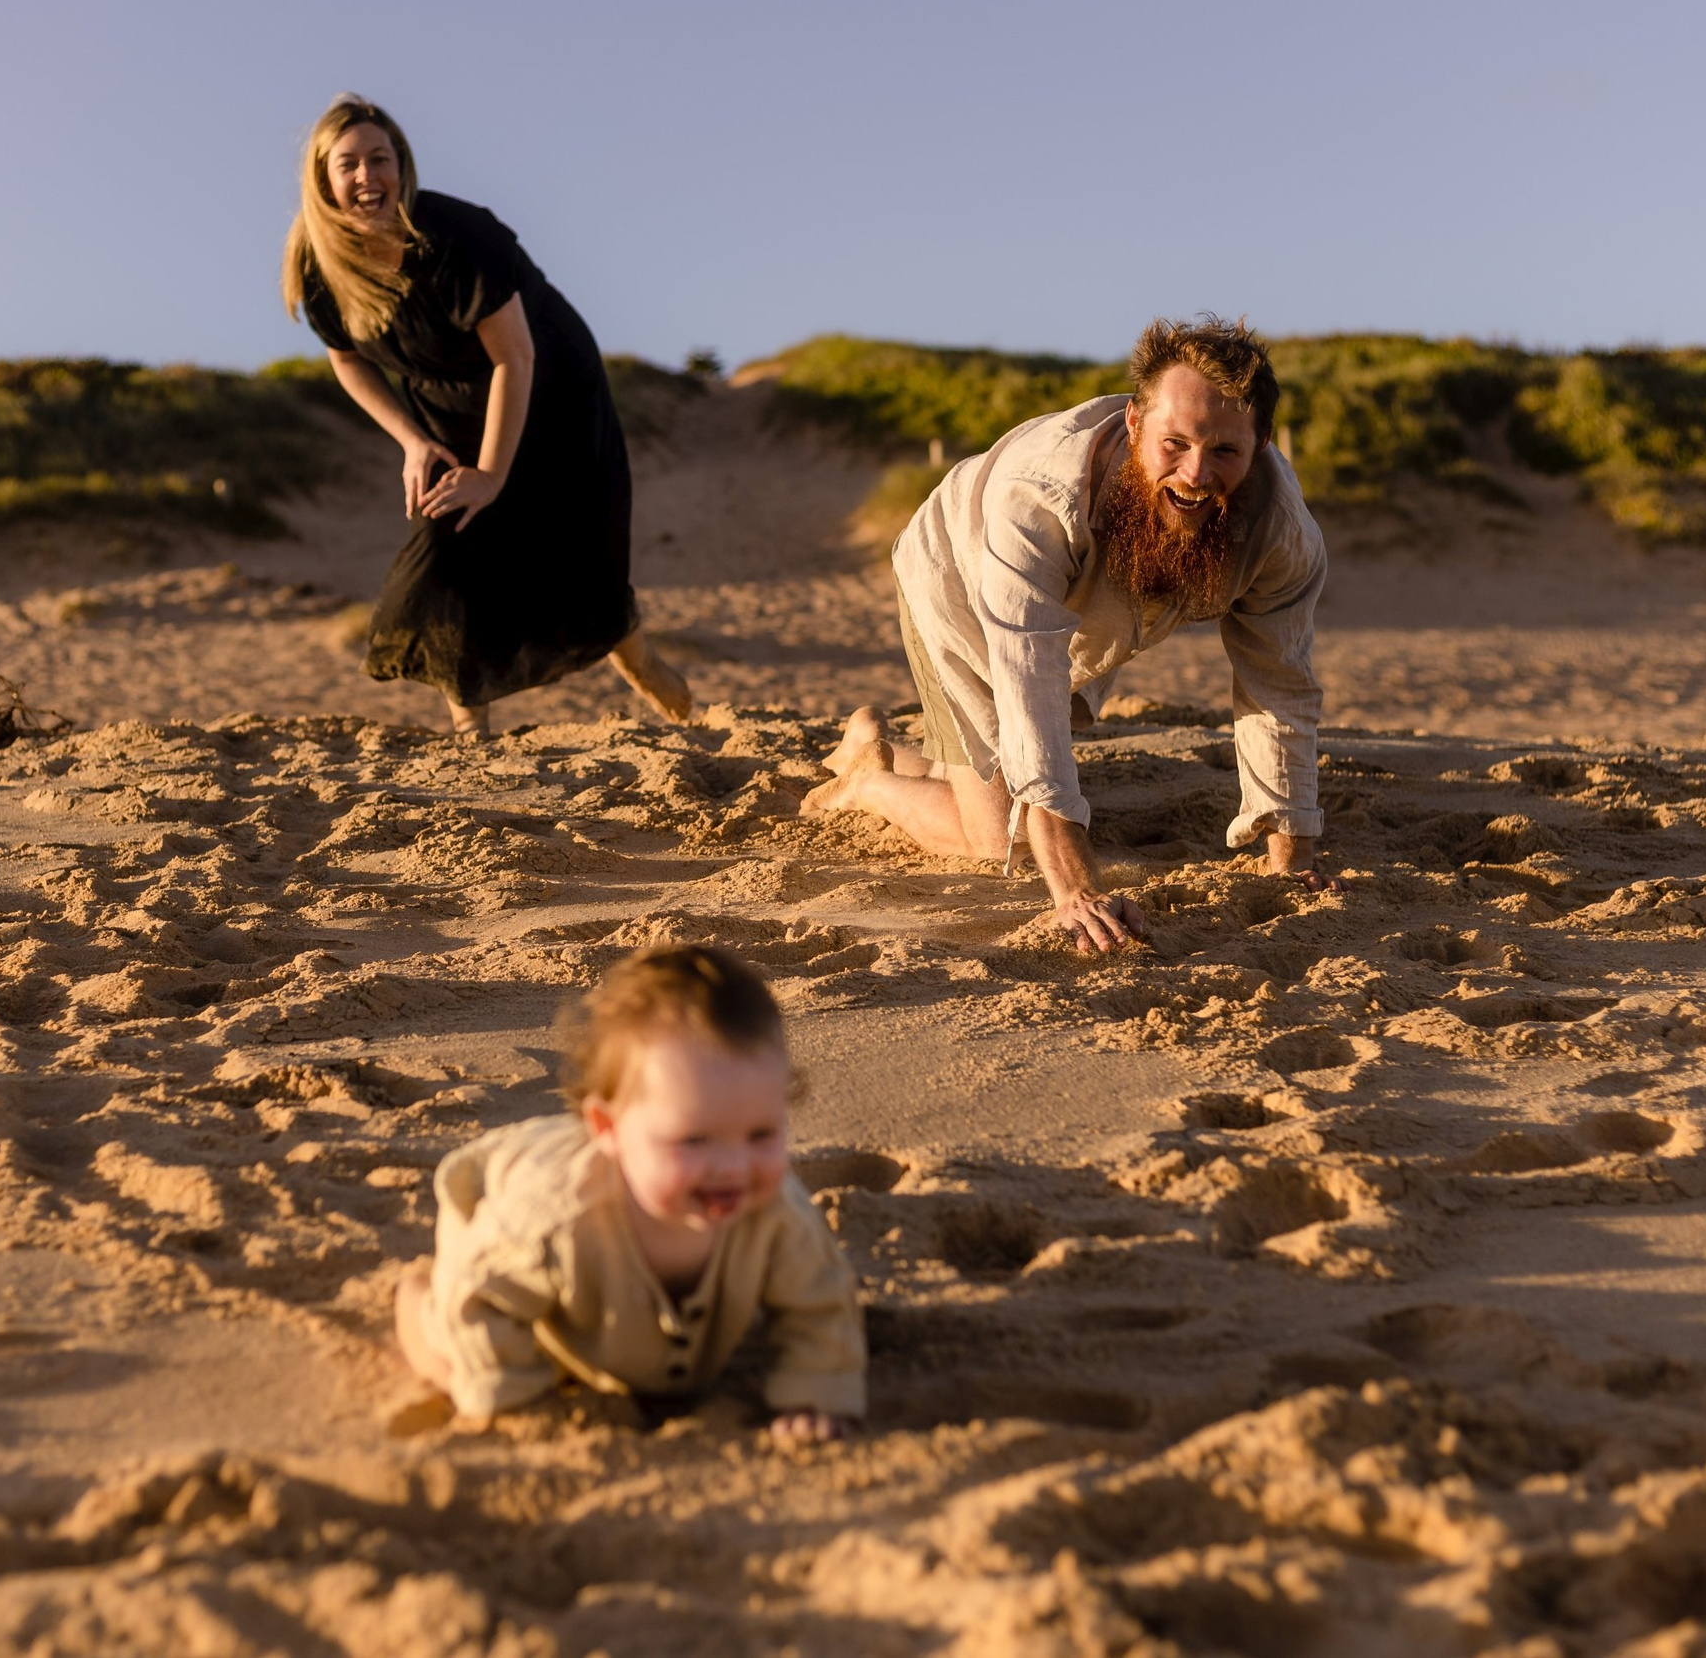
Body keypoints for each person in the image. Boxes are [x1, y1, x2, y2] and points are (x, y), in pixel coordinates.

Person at [800, 316, 1331, 953]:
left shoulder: (1282, 530)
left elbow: (1279, 683)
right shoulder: (1040, 499)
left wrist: (1291, 857)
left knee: (1011, 761)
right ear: (1135, 424)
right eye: (1175, 444)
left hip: (1096, 610)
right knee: (999, 837)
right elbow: (1029, 680)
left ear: (1262, 444)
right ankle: (867, 784)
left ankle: (871, 748)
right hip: (960, 577)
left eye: (1224, 452)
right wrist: (1076, 888)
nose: (1195, 473)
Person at [283, 95, 692, 737]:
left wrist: (493, 474)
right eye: (349, 163)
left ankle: (639, 660)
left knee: (578, 564)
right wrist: (412, 440)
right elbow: (348, 361)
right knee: (447, 550)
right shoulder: (321, 265)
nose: (367, 176)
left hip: (551, 393)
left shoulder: (458, 238)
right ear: (322, 179)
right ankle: (472, 733)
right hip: (446, 408)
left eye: (380, 159)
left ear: (402, 165)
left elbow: (515, 357)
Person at [395, 944, 865, 1441]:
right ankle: (414, 1301)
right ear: (608, 1128)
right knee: (454, 1359)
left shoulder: (776, 1208)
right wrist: (513, 1397)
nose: (733, 1167)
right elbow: (480, 1298)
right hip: (494, 1207)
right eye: (694, 1140)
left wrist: (816, 1390)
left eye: (761, 1134)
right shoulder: (550, 1222)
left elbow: (821, 1298)